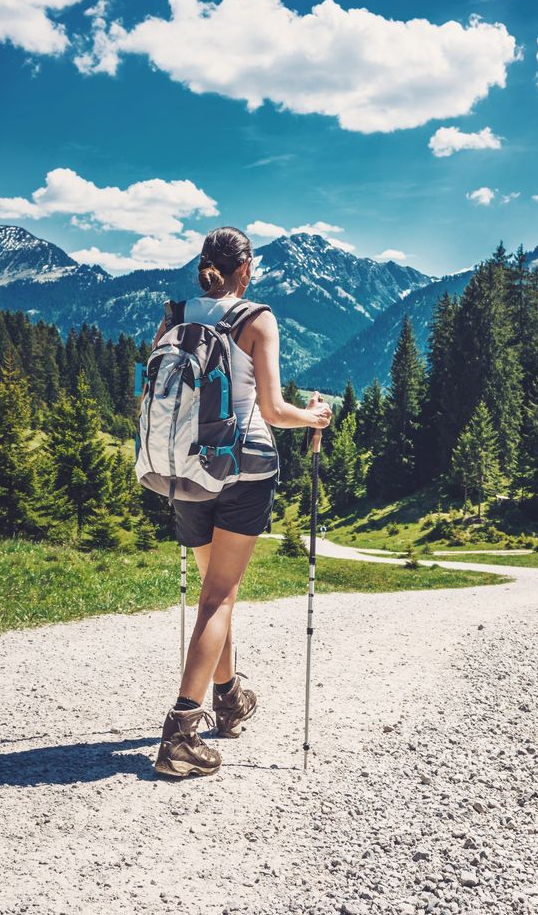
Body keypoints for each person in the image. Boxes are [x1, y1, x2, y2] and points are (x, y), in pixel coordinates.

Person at [153, 226, 332, 778]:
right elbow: (274, 410)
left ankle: (228, 699)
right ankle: (182, 732)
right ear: (246, 269)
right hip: (243, 468)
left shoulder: (175, 311)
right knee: (220, 598)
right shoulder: (257, 318)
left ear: (203, 265)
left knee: (213, 594)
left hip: (184, 468)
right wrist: (315, 417)